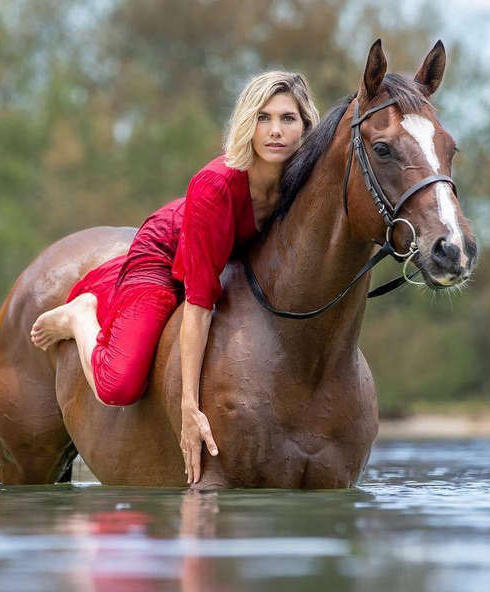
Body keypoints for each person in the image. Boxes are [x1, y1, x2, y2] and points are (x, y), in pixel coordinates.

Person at [29, 71, 319, 484]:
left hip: (222, 260)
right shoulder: (216, 184)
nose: (275, 131)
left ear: (306, 125)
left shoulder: (298, 183)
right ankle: (80, 316)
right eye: (263, 117)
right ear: (246, 123)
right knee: (119, 385)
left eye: (288, 119)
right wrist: (189, 407)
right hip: (164, 256)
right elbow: (200, 304)